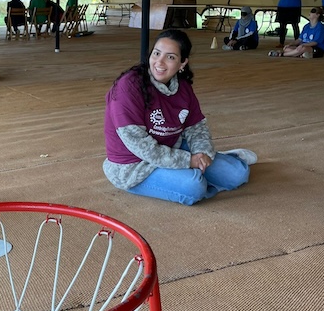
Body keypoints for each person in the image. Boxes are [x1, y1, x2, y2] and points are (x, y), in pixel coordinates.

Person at [103, 29, 256, 206]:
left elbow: (196, 127)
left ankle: (219, 162)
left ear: (182, 63)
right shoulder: (127, 87)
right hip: (133, 165)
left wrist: (202, 153)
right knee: (194, 187)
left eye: (170, 57)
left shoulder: (182, 86)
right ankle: (192, 178)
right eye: (156, 53)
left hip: (171, 147)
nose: (159, 62)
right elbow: (140, 146)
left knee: (238, 174)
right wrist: (188, 161)